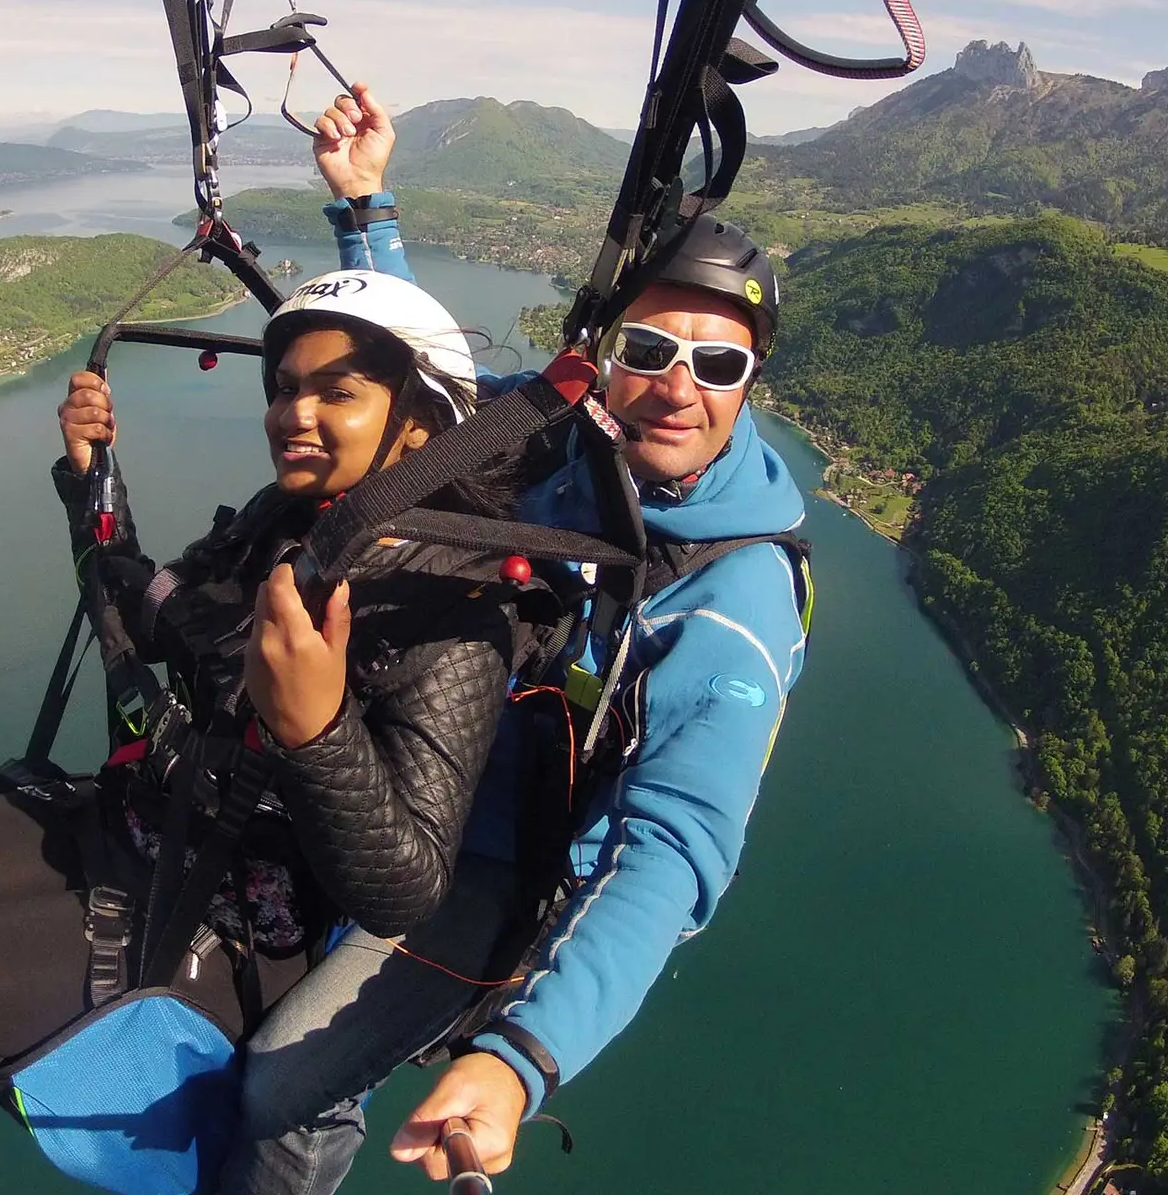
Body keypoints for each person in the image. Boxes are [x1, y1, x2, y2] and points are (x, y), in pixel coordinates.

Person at [0, 272, 534, 1195]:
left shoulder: (457, 606)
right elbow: (138, 606)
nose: (295, 412)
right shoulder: (284, 523)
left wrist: (318, 729)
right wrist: (92, 478)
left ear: (418, 421)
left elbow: (404, 889)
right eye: (286, 386)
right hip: (150, 820)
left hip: (244, 914)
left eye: (337, 391)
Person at [308, 86, 812, 1184]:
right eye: (649, 349)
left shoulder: (734, 609)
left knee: (273, 1094)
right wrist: (365, 212)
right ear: (610, 356)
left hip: (502, 864)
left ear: (751, 384)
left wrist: (520, 1062)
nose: (679, 388)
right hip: (422, 763)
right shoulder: (586, 450)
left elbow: (672, 853)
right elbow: (447, 417)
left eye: (719, 365)